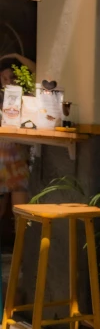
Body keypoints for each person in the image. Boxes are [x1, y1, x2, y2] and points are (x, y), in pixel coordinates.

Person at [0, 54, 33, 219]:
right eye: (4, 78)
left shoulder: (26, 98)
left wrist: (16, 56)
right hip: (0, 162)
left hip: (18, 162)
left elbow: (38, 72)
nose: (8, 82)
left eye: (12, 77)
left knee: (20, 218)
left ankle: (20, 245)